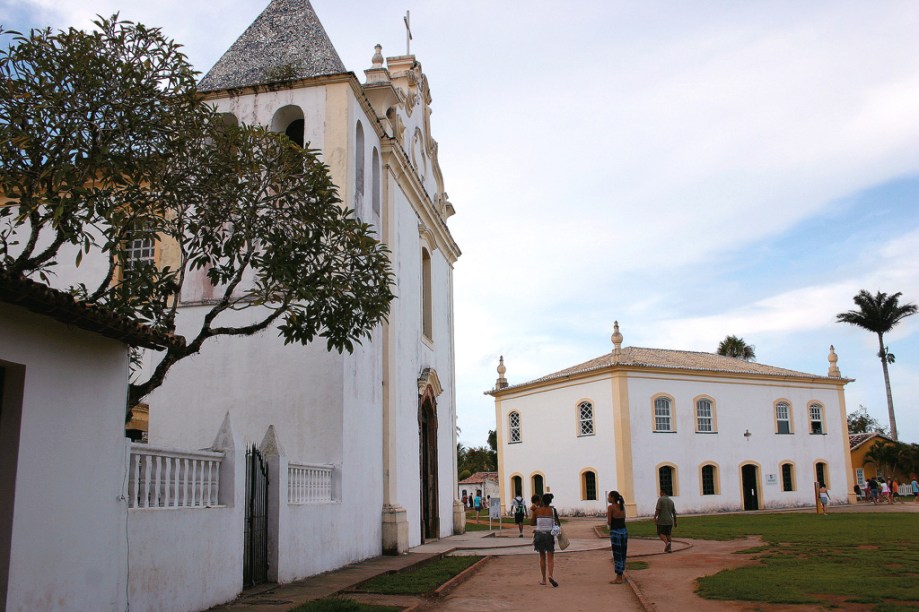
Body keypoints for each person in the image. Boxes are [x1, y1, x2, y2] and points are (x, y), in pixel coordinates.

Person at [530, 493, 558, 587]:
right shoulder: (553, 511)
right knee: (550, 557)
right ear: (550, 501)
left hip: (539, 534)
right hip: (549, 534)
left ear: (542, 501)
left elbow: (532, 523)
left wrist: (534, 512)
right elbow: (558, 523)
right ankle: (550, 575)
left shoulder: (537, 511)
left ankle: (544, 579)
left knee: (542, 557)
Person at [607, 490, 628, 584]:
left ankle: (619, 577)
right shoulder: (622, 506)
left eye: (609, 496)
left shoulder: (611, 507)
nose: (608, 498)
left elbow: (609, 521)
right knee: (623, 554)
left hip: (615, 532)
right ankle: (621, 574)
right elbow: (623, 518)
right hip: (624, 531)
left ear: (612, 498)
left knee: (617, 554)